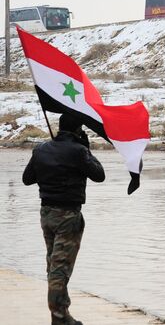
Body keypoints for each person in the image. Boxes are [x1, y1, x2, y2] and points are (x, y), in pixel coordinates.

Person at [22, 113, 105, 325]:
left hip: (47, 214)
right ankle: (59, 318)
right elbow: (99, 175)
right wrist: (85, 150)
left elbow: (27, 179)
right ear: (78, 131)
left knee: (53, 264)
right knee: (60, 268)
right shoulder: (78, 151)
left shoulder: (41, 149)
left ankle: (61, 313)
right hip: (68, 215)